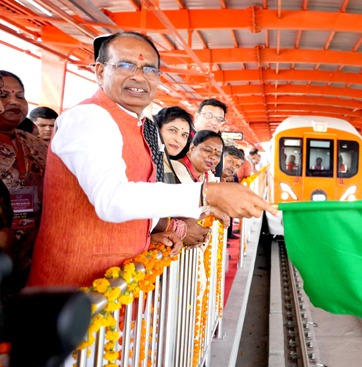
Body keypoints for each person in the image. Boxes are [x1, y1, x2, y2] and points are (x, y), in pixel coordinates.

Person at [27, 32, 276, 289]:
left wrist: (148, 234)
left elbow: (137, 195)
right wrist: (207, 194)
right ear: (100, 71)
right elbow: (111, 199)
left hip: (113, 288)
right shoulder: (89, 117)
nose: (138, 76)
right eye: (125, 65)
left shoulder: (139, 125)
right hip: (74, 291)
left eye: (149, 69)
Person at [0, 70, 49, 292]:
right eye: (3, 94)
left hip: (35, 253)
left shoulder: (37, 144)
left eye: (20, 96)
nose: (13, 102)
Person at [154, 106, 209, 248]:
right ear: (158, 130)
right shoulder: (150, 161)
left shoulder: (168, 164)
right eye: (173, 130)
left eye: (184, 135)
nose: (178, 139)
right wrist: (181, 229)